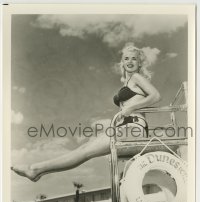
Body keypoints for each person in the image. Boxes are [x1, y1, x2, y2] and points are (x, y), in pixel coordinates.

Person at [11, 43, 161, 182]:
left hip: (133, 128)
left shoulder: (136, 77)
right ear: (122, 62)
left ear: (139, 63)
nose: (130, 61)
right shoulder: (128, 82)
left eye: (134, 59)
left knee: (85, 151)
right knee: (85, 150)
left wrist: (131, 108)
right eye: (126, 58)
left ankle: (36, 169)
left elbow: (156, 96)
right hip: (124, 128)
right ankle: (38, 170)